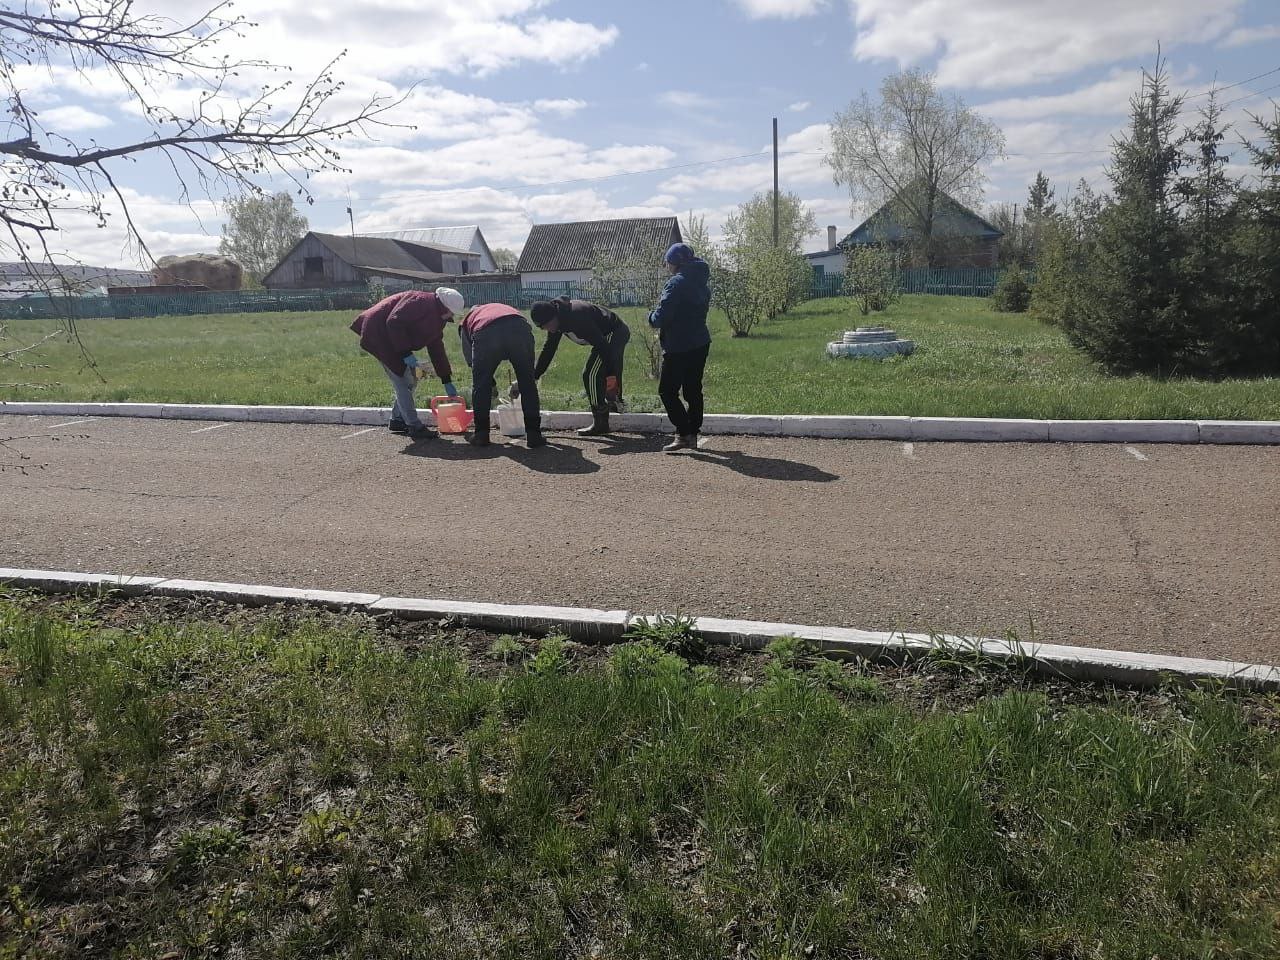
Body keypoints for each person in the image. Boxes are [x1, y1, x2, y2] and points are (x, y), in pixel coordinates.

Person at [350, 286, 464, 440]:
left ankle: (397, 420)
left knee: (411, 379)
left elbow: (436, 348)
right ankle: (414, 426)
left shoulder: (437, 317)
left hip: (392, 338)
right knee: (403, 380)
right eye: (451, 312)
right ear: (444, 306)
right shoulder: (419, 301)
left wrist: (446, 379)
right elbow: (394, 322)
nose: (452, 315)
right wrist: (405, 353)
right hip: (378, 334)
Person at [529, 297, 630, 436]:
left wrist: (611, 374)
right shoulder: (557, 321)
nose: (546, 329)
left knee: (591, 374)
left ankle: (601, 421)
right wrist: (535, 375)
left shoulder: (577, 316)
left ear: (554, 316)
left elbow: (603, 346)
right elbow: (549, 350)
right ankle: (612, 404)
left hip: (614, 332)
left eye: (546, 325)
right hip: (603, 337)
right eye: (542, 327)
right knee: (596, 373)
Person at [648, 242, 712, 453]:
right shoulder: (701, 281)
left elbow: (662, 316)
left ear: (675, 263)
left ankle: (684, 433)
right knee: (693, 389)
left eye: (668, 262)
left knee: (667, 391)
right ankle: (693, 432)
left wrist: (651, 317)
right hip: (700, 342)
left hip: (678, 345)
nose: (667, 266)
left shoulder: (676, 283)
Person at [459, 303, 546, 449]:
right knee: (528, 383)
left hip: (486, 332)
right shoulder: (503, 308)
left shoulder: (467, 321)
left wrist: (489, 384)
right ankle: (534, 435)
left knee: (480, 386)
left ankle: (481, 434)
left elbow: (472, 363)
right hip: (519, 327)